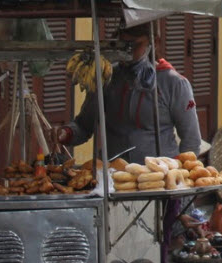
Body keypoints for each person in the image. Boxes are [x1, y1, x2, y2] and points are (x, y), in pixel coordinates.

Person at [54, 23, 203, 162]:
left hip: (157, 180)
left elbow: (191, 141)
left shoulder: (174, 83)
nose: (128, 51)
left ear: (154, 43)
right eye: (124, 45)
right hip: (113, 178)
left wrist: (179, 176)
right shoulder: (107, 77)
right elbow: (83, 125)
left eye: (135, 45)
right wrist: (66, 133)